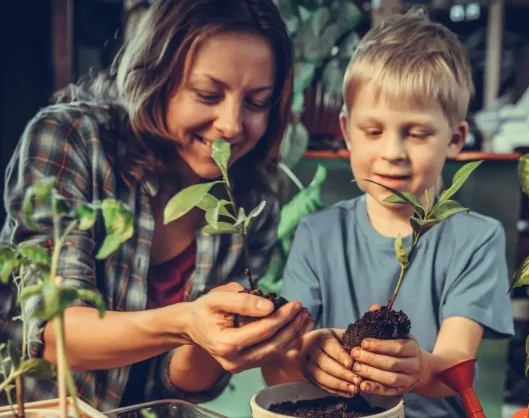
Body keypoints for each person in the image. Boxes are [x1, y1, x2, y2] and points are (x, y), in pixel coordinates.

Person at [0, 0, 312, 411]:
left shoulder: (252, 205)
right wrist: (186, 322)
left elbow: (181, 383)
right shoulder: (72, 138)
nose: (232, 125)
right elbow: (53, 334)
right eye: (208, 94)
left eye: (256, 102)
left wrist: (225, 339)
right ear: (156, 77)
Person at [262, 10, 515, 418]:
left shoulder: (477, 239)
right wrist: (308, 352)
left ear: (455, 139)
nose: (393, 153)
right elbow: (281, 368)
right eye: (373, 131)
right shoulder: (318, 233)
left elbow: (454, 364)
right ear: (346, 131)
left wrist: (418, 367)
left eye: (416, 133)